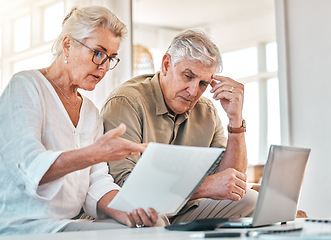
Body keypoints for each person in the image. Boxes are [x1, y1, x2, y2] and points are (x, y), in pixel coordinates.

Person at [0, 6, 162, 235]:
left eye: (111, 58)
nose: (104, 67)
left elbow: (97, 182)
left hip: (67, 225)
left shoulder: (90, 112)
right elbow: (30, 167)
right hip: (24, 226)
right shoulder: (26, 86)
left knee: (155, 227)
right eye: (98, 53)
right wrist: (95, 153)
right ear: (67, 45)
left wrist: (129, 210)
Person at [101, 30, 258, 224]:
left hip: (183, 209)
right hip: (135, 212)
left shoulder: (206, 111)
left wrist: (235, 121)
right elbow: (125, 191)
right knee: (155, 220)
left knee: (251, 200)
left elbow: (232, 183)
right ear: (166, 65)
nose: (193, 91)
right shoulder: (126, 102)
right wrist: (202, 187)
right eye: (188, 76)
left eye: (203, 83)